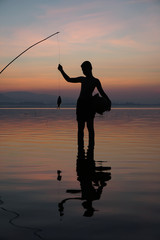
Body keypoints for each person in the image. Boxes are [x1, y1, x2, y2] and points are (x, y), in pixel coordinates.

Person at [58, 61, 111, 149]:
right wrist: (61, 70)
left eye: (84, 69)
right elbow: (69, 79)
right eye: (82, 70)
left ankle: (91, 148)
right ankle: (80, 149)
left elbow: (102, 92)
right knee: (80, 128)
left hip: (90, 105)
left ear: (90, 68)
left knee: (90, 128)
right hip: (81, 105)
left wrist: (109, 101)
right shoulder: (82, 79)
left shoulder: (96, 81)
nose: (83, 71)